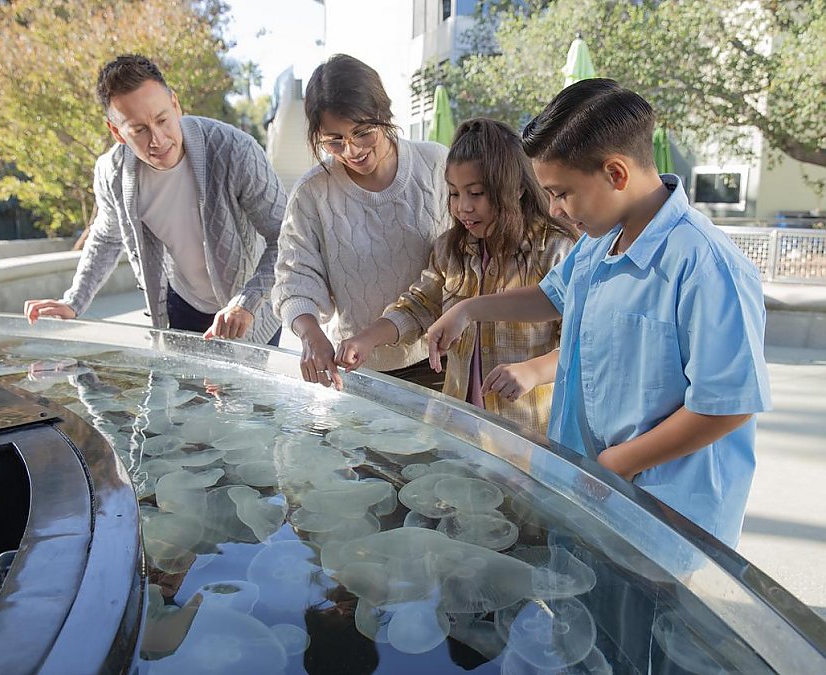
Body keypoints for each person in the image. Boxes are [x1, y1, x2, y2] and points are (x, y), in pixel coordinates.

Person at [426, 79, 771, 548]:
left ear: (616, 173)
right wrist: (470, 308)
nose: (554, 209)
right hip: (594, 494)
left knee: (648, 620)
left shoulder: (705, 265)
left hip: (666, 515)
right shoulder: (597, 241)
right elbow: (554, 296)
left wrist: (618, 462)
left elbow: (728, 405)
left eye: (562, 192)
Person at [335, 118, 576, 433]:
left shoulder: (555, 249)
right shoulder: (452, 249)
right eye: (453, 194)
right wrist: (366, 340)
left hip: (527, 432)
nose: (463, 208)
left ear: (515, 189)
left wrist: (532, 371)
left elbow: (578, 344)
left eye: (476, 194)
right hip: (459, 426)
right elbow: (418, 306)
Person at [24, 54, 286, 345]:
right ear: (117, 132)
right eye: (139, 130)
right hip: (182, 308)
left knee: (244, 393)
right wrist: (73, 301)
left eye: (162, 120)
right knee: (190, 392)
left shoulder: (236, 151)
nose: (158, 139)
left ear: (175, 104)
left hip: (253, 308)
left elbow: (285, 237)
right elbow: (106, 237)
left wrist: (246, 302)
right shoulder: (112, 172)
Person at [272, 54, 449, 389]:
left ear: (384, 114)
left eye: (362, 132)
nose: (351, 150)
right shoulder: (312, 193)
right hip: (358, 367)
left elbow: (461, 263)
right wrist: (310, 334)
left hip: (441, 358)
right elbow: (294, 278)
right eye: (334, 140)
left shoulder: (436, 164)